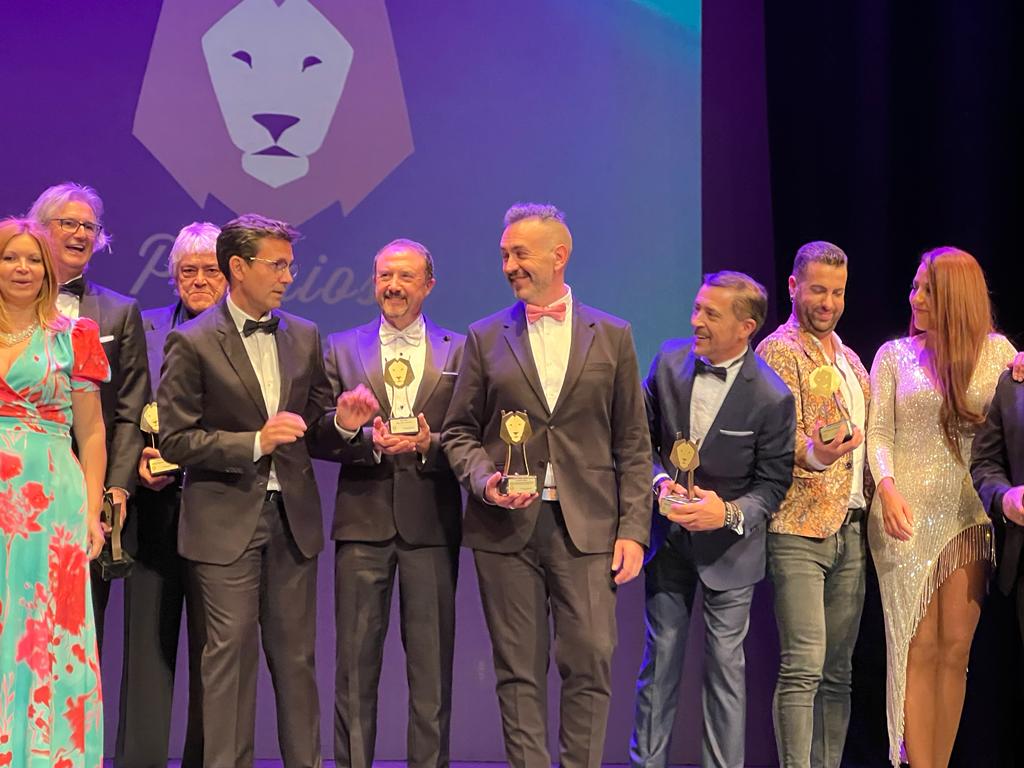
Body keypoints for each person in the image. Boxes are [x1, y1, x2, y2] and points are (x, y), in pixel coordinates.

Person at [442, 203, 652, 768]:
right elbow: (459, 432)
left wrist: (634, 530)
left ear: (559, 256)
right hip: (505, 528)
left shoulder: (613, 335)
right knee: (518, 670)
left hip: (589, 528)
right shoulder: (484, 336)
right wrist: (485, 482)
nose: (509, 266)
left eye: (520, 254)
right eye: (504, 255)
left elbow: (634, 443)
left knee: (592, 657)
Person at [157, 214, 343, 768]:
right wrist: (254, 443)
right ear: (238, 267)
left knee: (296, 662)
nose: (287, 276)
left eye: (290, 265)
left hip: (292, 522)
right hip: (224, 524)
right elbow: (176, 439)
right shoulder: (192, 341)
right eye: (277, 265)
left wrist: (347, 423)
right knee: (229, 661)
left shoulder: (304, 335)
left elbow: (315, 425)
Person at [630, 271, 795, 768]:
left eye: (710, 314)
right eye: (697, 308)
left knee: (725, 672)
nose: (695, 320)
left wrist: (726, 512)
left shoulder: (772, 396)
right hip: (669, 542)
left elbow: (772, 485)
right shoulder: (668, 362)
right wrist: (660, 484)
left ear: (746, 328)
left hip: (730, 551)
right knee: (660, 662)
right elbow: (639, 441)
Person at [867, 247, 1015, 767]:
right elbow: (878, 433)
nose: (915, 298)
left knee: (954, 649)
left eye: (927, 290)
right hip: (903, 514)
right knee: (918, 648)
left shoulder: (997, 353)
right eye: (914, 287)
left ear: (955, 296)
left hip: (969, 514)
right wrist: (886, 488)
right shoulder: (893, 356)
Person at [324, 238, 465, 768]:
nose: (394, 286)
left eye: (406, 276)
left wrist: (431, 443)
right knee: (354, 671)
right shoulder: (340, 348)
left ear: (429, 284)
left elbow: (472, 434)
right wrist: (353, 431)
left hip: (431, 524)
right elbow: (319, 434)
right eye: (385, 275)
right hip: (362, 524)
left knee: (431, 673)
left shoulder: (460, 349)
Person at [115, 222, 226, 767]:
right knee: (146, 652)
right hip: (153, 507)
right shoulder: (145, 327)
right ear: (173, 275)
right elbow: (125, 406)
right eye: (188, 270)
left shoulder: (249, 335)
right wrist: (136, 460)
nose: (199, 280)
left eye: (211, 270)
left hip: (220, 510)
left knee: (215, 658)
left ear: (231, 275)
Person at [0, 218, 109, 766]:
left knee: (45, 626)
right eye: (9, 257)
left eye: (33, 260)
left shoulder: (74, 335)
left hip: (49, 502)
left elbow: (91, 433)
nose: (22, 269)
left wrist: (91, 512)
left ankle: (44, 754)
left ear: (48, 270)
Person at [756, 241, 870, 768]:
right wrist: (817, 455)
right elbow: (784, 438)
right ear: (793, 286)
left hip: (852, 528)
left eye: (838, 292)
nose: (828, 303)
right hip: (798, 529)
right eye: (818, 290)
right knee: (803, 667)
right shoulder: (779, 352)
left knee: (837, 673)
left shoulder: (849, 358)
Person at [28, 182, 149, 653]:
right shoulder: (7, 307)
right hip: (17, 480)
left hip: (83, 490)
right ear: (40, 229)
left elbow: (129, 411)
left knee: (76, 628)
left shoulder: (118, 312)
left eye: (89, 227)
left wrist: (114, 490)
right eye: (69, 223)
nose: (80, 234)